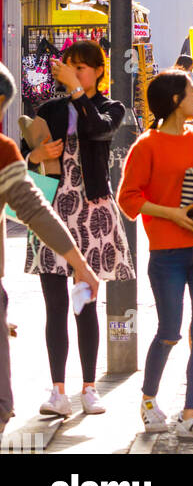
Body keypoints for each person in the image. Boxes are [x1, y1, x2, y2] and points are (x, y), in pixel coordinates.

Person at [118, 70, 193, 441]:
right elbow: (129, 198)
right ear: (174, 101)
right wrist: (175, 214)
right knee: (168, 331)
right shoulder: (146, 145)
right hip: (166, 252)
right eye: (191, 92)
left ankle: (191, 413)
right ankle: (149, 400)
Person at [22, 41, 134, 418]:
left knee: (84, 302)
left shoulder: (110, 107)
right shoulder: (48, 110)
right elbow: (21, 160)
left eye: (82, 68)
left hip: (90, 212)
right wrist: (34, 156)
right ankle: (57, 390)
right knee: (54, 305)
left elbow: (97, 130)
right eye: (69, 67)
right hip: (50, 212)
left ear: (99, 71)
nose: (75, 73)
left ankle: (89, 387)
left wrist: (76, 92)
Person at [0, 65, 99, 437]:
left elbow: (31, 207)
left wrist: (79, 262)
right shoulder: (4, 150)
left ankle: (84, 386)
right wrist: (81, 263)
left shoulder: (5, 151)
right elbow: (33, 210)